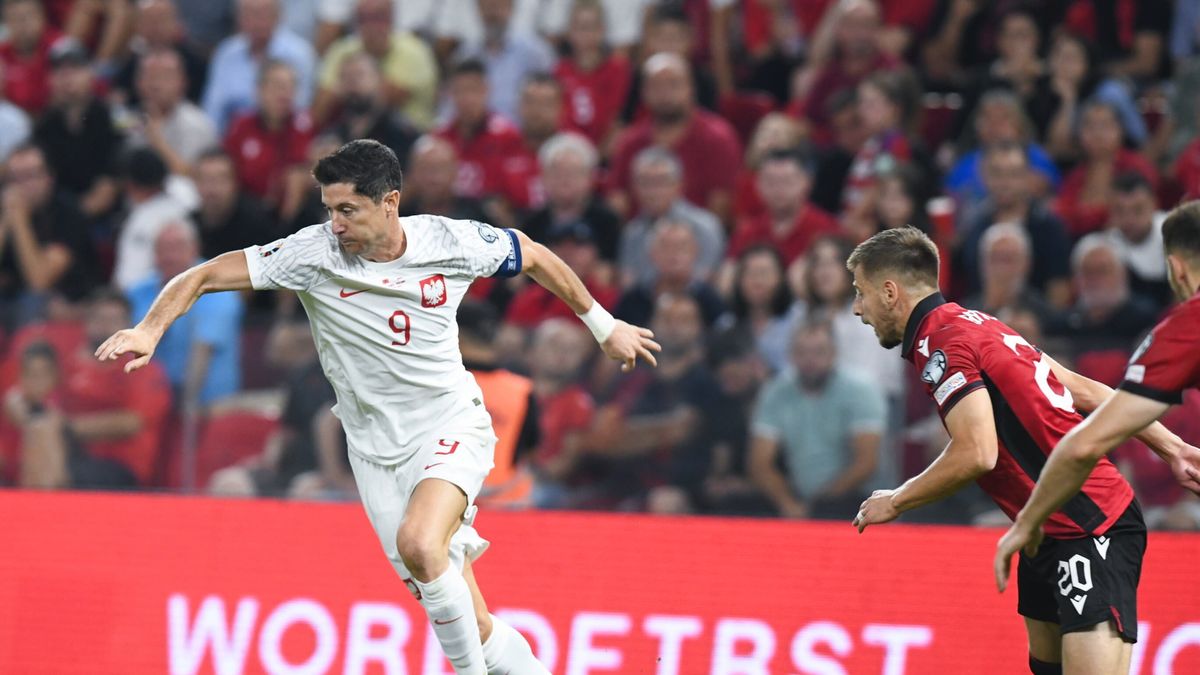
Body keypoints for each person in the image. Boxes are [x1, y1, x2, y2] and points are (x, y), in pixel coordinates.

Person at [94, 139, 659, 674]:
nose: (335, 224)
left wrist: (604, 327)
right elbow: (207, 273)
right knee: (472, 617)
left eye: (349, 210)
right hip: (372, 451)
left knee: (420, 542)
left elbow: (533, 256)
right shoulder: (312, 254)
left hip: (448, 422)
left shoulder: (449, 241)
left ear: (391, 203)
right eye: (329, 209)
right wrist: (149, 329)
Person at [846, 226, 1191, 675]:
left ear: (889, 292)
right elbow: (1079, 388)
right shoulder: (976, 322)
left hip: (1090, 523)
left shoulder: (942, 344)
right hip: (1043, 530)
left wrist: (897, 499)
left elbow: (977, 452)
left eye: (861, 293)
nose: (857, 308)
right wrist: (1174, 446)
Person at [995, 202, 1200, 596]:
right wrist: (1174, 449)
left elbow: (1084, 446)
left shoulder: (1182, 332)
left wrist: (1026, 524)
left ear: (1175, 268)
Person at [750, 320, 884, 520]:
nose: (810, 360)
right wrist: (788, 504)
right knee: (736, 506)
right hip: (795, 494)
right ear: (790, 355)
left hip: (855, 496)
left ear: (834, 354)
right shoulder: (776, 391)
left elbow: (865, 464)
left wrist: (815, 507)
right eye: (802, 352)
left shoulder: (861, 390)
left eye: (818, 352)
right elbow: (760, 462)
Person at [608, 52, 742, 225]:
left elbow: (722, 207)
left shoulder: (718, 137)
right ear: (643, 93)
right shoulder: (629, 142)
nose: (665, 93)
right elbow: (618, 201)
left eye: (674, 84)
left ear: (691, 89)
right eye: (656, 86)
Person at [127, 222, 243, 410]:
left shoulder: (217, 290)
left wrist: (184, 410)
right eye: (162, 249)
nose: (170, 256)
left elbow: (202, 352)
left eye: (177, 247)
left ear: (195, 249)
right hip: (153, 403)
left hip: (206, 408)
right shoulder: (139, 292)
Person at [313, 0, 439, 130]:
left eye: (378, 17)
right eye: (363, 18)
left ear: (391, 18)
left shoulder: (414, 50)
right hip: (353, 136)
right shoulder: (341, 50)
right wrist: (357, 81)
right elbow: (319, 111)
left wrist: (348, 80)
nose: (370, 26)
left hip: (408, 137)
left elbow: (389, 99)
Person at [202, 0, 316, 134]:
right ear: (239, 18)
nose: (259, 20)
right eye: (251, 13)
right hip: (233, 140)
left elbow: (302, 109)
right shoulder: (226, 53)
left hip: (285, 138)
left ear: (279, 15)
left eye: (265, 13)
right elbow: (213, 110)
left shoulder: (300, 54)